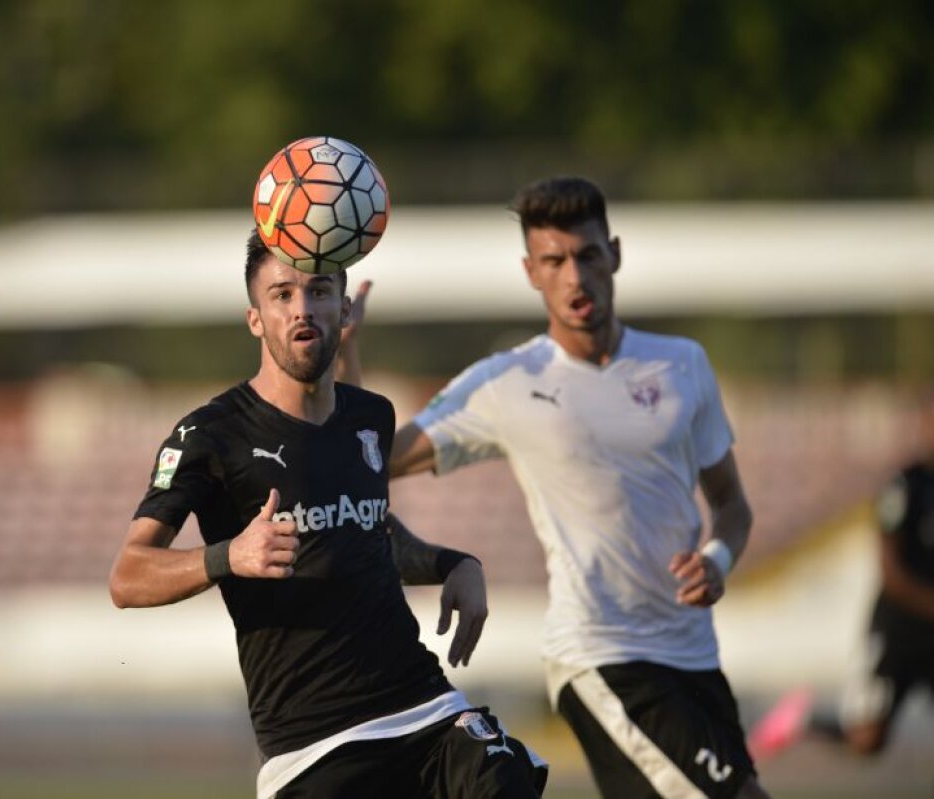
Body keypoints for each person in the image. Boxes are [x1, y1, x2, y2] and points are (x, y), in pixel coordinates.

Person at [341, 176, 771, 799]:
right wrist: (348, 353)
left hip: (695, 658)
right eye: (554, 261)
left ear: (615, 254)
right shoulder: (508, 381)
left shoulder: (683, 365)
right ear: (530, 271)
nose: (574, 276)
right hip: (600, 654)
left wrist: (717, 558)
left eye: (588, 255)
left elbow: (732, 505)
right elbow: (371, 461)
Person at [108, 231, 548, 799]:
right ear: (255, 319)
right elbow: (127, 576)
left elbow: (365, 533)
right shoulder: (209, 435)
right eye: (282, 294)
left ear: (343, 308)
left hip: (423, 705)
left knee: (505, 780)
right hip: (315, 746)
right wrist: (229, 556)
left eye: (318, 291)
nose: (302, 308)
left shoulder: (371, 415)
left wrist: (453, 562)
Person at [748, 391, 934, 761]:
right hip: (899, 631)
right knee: (868, 739)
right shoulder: (907, 484)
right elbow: (890, 567)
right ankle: (805, 721)